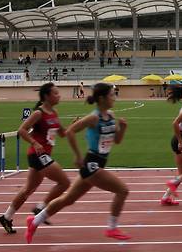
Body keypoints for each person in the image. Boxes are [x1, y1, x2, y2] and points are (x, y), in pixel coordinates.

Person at [26, 83, 131, 243]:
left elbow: (117, 140)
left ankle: (34, 221)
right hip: (91, 164)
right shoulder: (93, 117)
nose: (114, 98)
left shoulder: (110, 115)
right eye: (111, 95)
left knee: (68, 200)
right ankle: (112, 228)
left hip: (98, 163)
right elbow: (70, 132)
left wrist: (122, 128)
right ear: (102, 98)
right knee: (122, 190)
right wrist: (78, 156)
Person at [0, 83, 71, 234]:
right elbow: (22, 130)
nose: (59, 95)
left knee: (28, 190)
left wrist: (74, 126)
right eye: (56, 93)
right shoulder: (38, 113)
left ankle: (7, 216)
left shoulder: (54, 113)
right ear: (46, 96)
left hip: (44, 155)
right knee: (64, 182)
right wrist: (35, 142)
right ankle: (41, 207)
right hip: (38, 154)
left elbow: (63, 134)